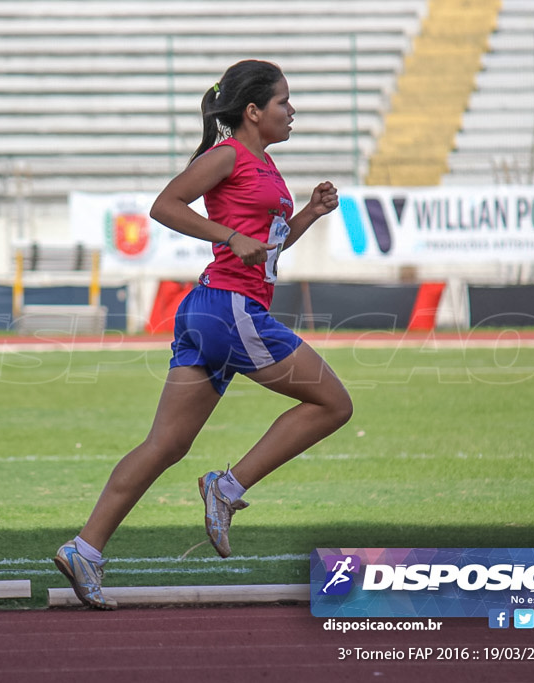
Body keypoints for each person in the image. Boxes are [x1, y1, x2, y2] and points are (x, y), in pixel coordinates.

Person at [54, 60, 353, 609]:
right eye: (284, 102)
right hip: (229, 308)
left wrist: (309, 211)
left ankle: (85, 550)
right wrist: (228, 234)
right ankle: (227, 487)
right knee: (334, 404)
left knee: (166, 444)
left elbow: (267, 249)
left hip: (212, 312)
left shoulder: (266, 166)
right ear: (253, 111)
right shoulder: (228, 155)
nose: (293, 112)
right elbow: (163, 206)